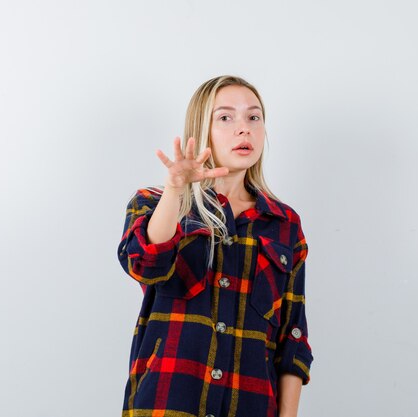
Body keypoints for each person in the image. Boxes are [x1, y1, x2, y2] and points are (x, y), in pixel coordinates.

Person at [117, 75, 313, 417]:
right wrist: (176, 189)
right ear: (201, 129)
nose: (244, 129)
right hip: (167, 404)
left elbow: (292, 338)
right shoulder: (156, 203)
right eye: (226, 117)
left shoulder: (284, 224)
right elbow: (145, 263)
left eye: (254, 117)